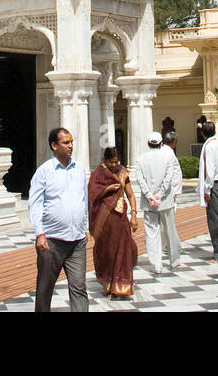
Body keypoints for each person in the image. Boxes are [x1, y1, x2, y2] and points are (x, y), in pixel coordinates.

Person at [28, 127, 89, 312]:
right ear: (54, 145)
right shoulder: (44, 171)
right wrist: (40, 234)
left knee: (79, 288)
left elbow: (83, 199)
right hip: (52, 241)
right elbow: (35, 204)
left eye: (71, 142)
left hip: (77, 241)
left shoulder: (79, 169)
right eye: (66, 142)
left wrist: (84, 226)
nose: (70, 146)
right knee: (45, 289)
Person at [88, 146, 138, 298]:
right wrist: (107, 189)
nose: (115, 165)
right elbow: (92, 197)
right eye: (112, 162)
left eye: (117, 162)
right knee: (107, 252)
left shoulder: (122, 173)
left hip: (120, 219)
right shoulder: (98, 175)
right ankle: (108, 283)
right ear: (104, 160)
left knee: (124, 251)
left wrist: (134, 215)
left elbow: (130, 195)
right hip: (104, 222)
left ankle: (121, 286)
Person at [136, 131, 184, 275]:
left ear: (148, 144)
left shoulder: (141, 159)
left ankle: (156, 264)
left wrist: (150, 195)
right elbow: (169, 178)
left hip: (149, 202)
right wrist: (159, 195)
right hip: (164, 200)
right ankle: (174, 261)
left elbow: (140, 180)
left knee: (151, 233)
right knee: (170, 229)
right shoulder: (167, 157)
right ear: (161, 143)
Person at [197, 119, 218, 262]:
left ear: (202, 133)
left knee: (215, 221)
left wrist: (207, 189)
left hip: (214, 186)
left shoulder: (209, 146)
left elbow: (209, 170)